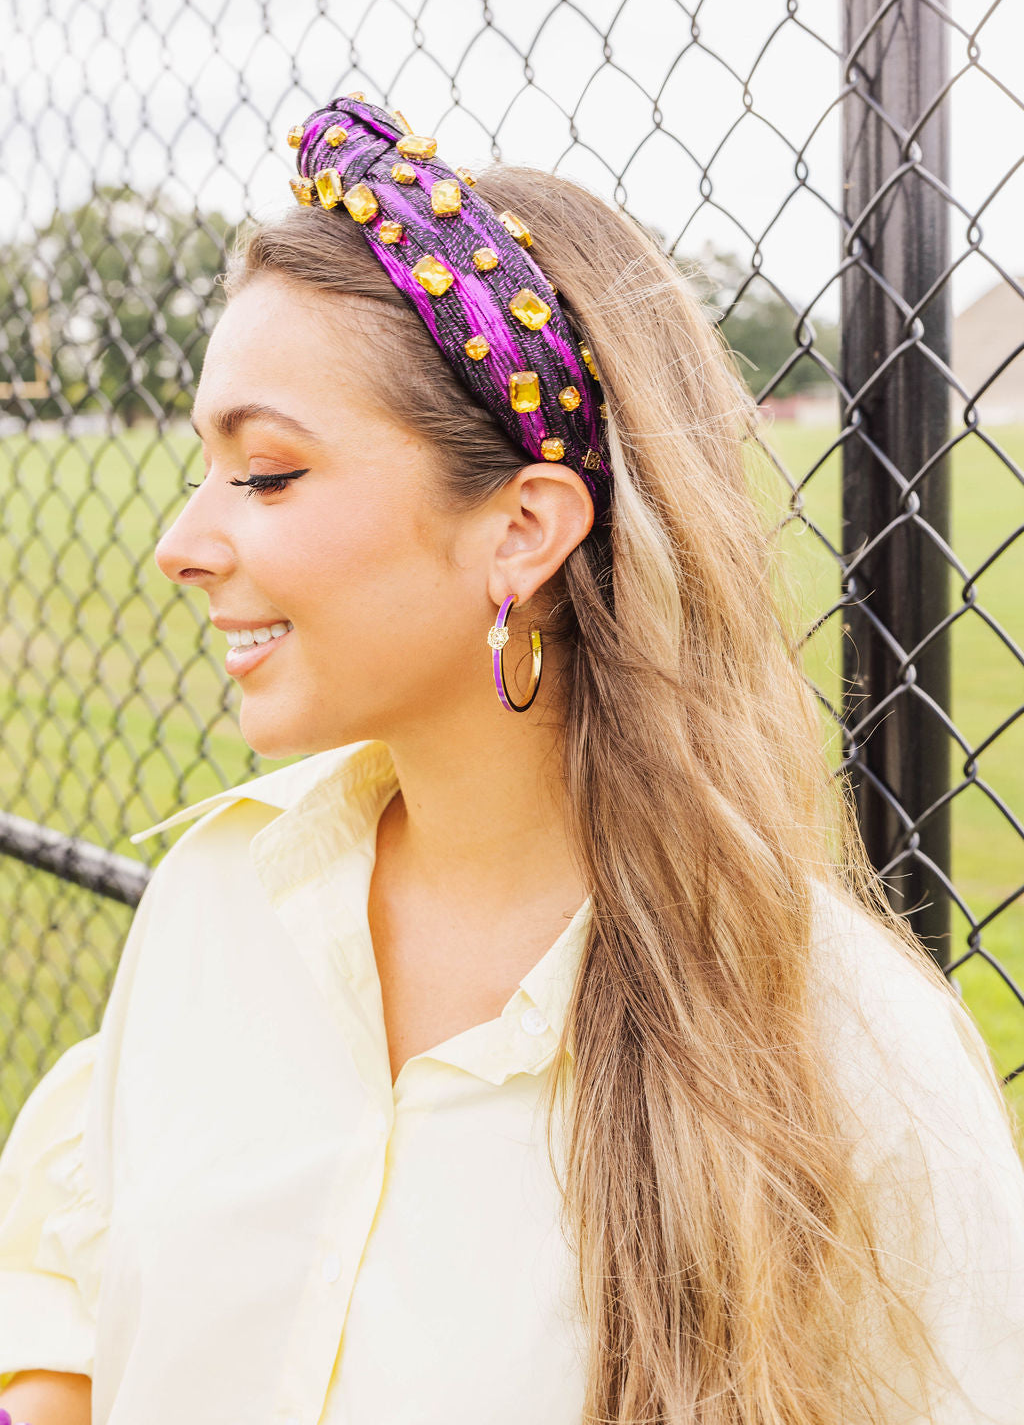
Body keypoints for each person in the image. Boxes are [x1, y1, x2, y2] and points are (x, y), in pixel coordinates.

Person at [0, 94, 1022, 1425]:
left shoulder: (847, 1067)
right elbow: (70, 1281)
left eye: (266, 475)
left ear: (522, 530)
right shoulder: (221, 899)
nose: (182, 543)